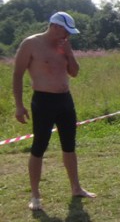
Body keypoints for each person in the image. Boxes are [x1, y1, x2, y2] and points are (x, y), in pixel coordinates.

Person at [13, 12, 96, 210]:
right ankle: (35, 195)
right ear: (55, 26)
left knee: (69, 145)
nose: (68, 36)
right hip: (43, 101)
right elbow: (17, 75)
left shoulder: (64, 45)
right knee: (39, 146)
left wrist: (68, 52)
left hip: (65, 100)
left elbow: (74, 73)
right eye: (66, 31)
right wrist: (19, 105)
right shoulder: (31, 44)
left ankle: (76, 187)